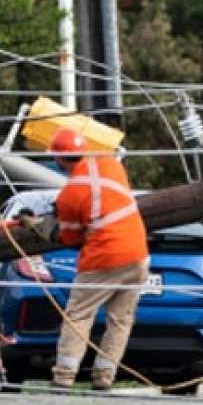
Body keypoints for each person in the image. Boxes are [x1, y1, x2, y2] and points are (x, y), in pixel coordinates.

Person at [49, 126, 149, 391]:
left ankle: (64, 376)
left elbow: (70, 239)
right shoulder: (112, 167)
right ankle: (104, 377)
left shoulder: (68, 196)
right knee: (121, 319)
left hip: (104, 258)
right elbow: (106, 201)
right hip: (138, 254)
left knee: (79, 315)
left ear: (58, 159)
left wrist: (57, 219)